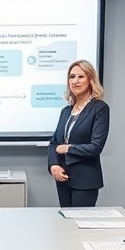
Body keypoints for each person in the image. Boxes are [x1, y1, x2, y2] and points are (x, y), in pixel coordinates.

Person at [47, 59, 110, 207]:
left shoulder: (99, 109)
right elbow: (54, 143)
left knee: (80, 226)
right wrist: (54, 166)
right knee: (65, 224)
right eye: (72, 76)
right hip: (63, 178)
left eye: (80, 77)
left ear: (90, 79)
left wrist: (68, 148)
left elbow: (95, 147)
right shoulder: (66, 111)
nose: (75, 81)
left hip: (85, 180)